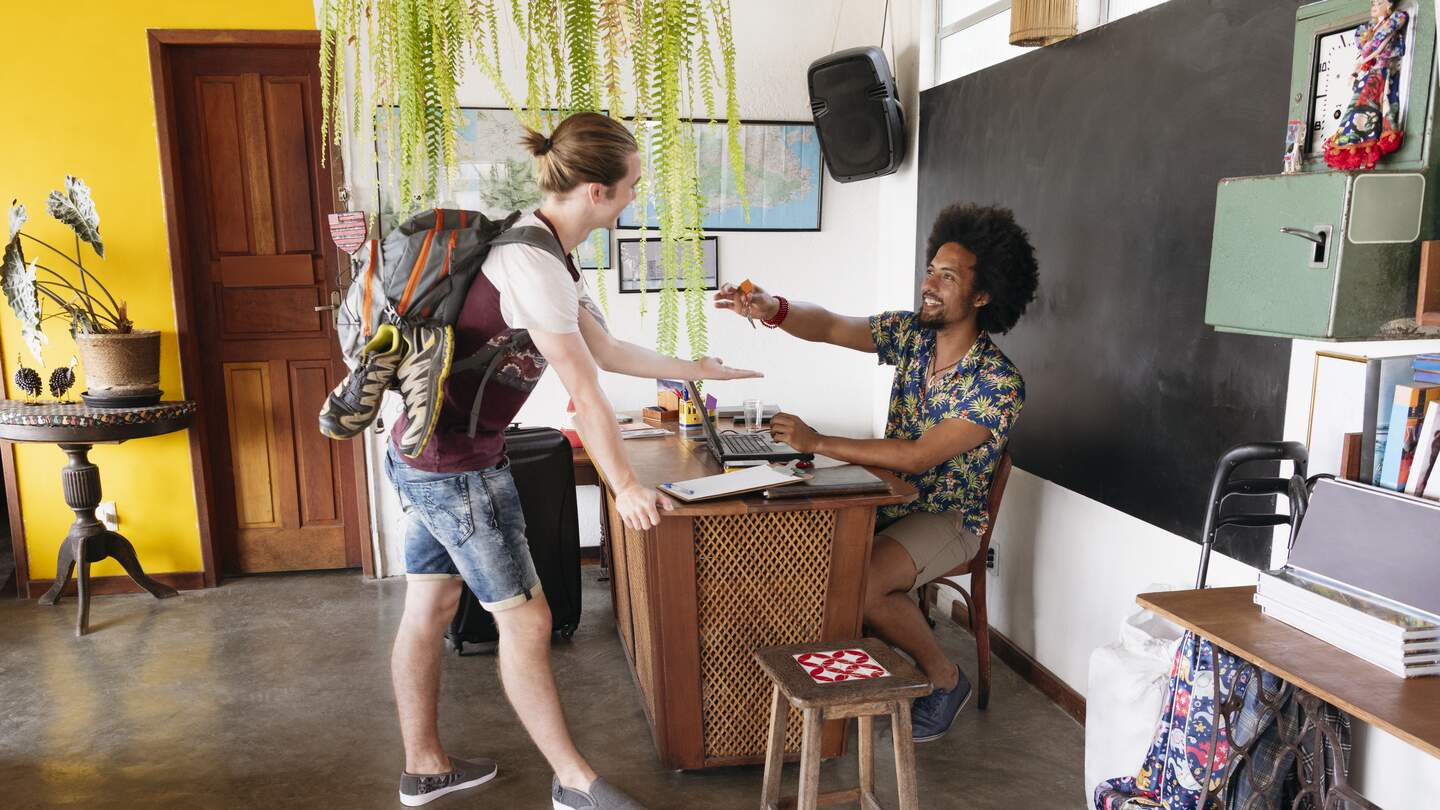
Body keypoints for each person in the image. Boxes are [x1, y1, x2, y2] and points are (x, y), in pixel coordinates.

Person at [386, 112, 759, 808]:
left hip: (425, 452)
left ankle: (425, 768)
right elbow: (584, 387)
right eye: (631, 187)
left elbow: (608, 351)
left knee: (430, 606)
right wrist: (623, 486)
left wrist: (700, 368)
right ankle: (574, 785)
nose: (635, 197)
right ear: (596, 191)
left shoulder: (546, 249)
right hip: (456, 467)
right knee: (526, 620)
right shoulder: (531, 260)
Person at [713, 203, 1038, 743]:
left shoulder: (998, 382)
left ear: (983, 297)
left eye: (948, 276)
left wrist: (817, 442)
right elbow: (834, 326)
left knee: (859, 588)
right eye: (931, 269)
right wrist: (773, 307)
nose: (929, 283)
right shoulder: (914, 335)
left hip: (948, 518)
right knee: (809, 558)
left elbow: (916, 456)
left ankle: (944, 678)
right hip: (886, 499)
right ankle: (841, 685)